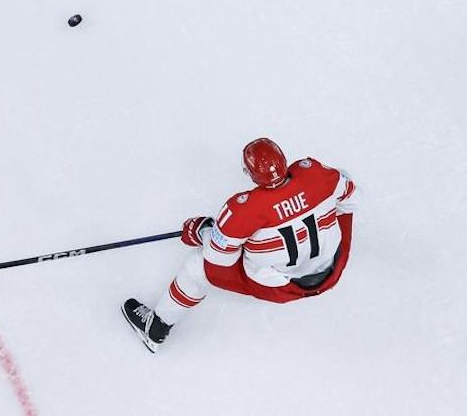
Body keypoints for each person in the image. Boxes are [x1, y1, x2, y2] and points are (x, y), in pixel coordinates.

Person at [123, 138, 357, 351]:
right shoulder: (314, 172)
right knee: (338, 183)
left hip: (284, 286)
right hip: (333, 267)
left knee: (198, 267)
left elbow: (217, 259)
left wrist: (203, 230)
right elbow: (351, 194)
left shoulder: (242, 210)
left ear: (249, 172)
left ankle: (155, 328)